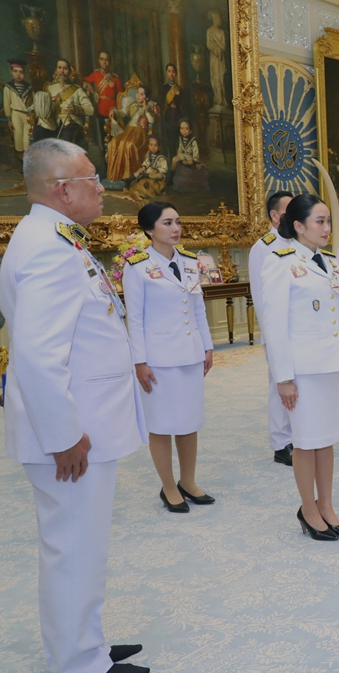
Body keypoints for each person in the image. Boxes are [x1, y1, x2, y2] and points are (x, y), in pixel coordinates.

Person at [0, 138, 149, 673]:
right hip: (69, 437)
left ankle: (88, 641)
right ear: (62, 190)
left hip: (81, 426)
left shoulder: (57, 238)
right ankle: (77, 667)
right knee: (72, 547)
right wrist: (64, 436)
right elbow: (39, 356)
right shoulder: (46, 246)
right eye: (92, 179)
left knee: (84, 544)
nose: (102, 187)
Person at [259, 194, 339, 539]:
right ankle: (308, 508)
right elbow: (274, 324)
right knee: (305, 441)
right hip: (302, 370)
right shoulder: (280, 261)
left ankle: (327, 504)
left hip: (329, 365)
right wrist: (283, 378)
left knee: (327, 440)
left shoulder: (329, 261)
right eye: (319, 221)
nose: (327, 228)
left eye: (328, 221)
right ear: (298, 226)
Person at [123, 201, 214, 513]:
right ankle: (168, 486)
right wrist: (139, 361)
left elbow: (198, 307)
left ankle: (188, 481)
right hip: (158, 359)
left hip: (189, 355)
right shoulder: (137, 268)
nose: (175, 228)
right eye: (167, 223)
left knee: (189, 421)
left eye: (177, 221)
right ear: (149, 229)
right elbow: (134, 318)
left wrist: (207, 346)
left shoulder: (190, 262)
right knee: (161, 424)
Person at [248, 192, 296, 464]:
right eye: (288, 210)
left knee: (299, 384)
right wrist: (271, 336)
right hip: (278, 330)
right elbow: (261, 297)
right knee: (280, 384)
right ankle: (281, 443)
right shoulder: (263, 247)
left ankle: (297, 435)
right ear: (274, 215)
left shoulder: (300, 242)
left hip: (301, 330)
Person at [105, 85, 157, 182]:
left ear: (146, 97)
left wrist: (146, 108)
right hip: (128, 130)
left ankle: (129, 177)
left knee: (129, 145)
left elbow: (151, 120)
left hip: (140, 133)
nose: (138, 96)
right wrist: (115, 112)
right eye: (137, 93)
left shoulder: (149, 107)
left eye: (141, 94)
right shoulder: (132, 105)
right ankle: (116, 177)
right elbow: (123, 113)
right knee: (114, 143)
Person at [38, 59, 94, 146]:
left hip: (71, 123)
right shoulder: (50, 88)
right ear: (56, 70)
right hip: (54, 122)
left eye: (65, 68)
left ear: (69, 71)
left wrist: (76, 109)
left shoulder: (77, 90)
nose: (62, 71)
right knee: (39, 131)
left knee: (66, 135)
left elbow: (91, 109)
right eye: (59, 68)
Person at [83, 51, 123, 149]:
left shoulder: (115, 78)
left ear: (110, 61)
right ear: (99, 61)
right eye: (102, 59)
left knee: (114, 138)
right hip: (101, 109)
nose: (104, 62)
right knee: (103, 137)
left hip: (113, 110)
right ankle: (105, 163)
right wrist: (91, 89)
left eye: (106, 59)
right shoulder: (96, 74)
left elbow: (122, 95)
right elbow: (84, 81)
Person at [3, 60, 33, 162]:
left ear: (24, 73)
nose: (18, 74)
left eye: (21, 72)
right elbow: (7, 104)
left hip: (27, 115)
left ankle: (26, 161)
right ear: (11, 72)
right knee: (18, 138)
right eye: (15, 71)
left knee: (26, 140)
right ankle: (20, 162)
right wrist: (9, 119)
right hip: (15, 114)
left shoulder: (29, 87)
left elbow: (33, 102)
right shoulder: (8, 87)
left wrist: (31, 111)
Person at [171, 119, 210, 194]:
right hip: (183, 155)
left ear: (190, 131)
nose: (184, 131)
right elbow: (180, 150)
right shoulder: (180, 139)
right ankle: (171, 175)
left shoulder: (193, 140)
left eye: (186, 129)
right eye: (182, 128)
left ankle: (187, 164)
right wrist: (179, 156)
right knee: (174, 159)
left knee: (190, 161)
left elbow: (196, 153)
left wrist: (195, 160)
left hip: (190, 157)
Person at [159, 64, 183, 159]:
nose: (171, 74)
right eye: (169, 71)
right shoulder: (163, 88)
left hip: (177, 117)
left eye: (173, 71)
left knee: (177, 142)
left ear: (176, 73)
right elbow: (160, 101)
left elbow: (183, 103)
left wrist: (176, 104)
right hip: (167, 117)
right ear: (166, 73)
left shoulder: (180, 89)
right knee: (168, 142)